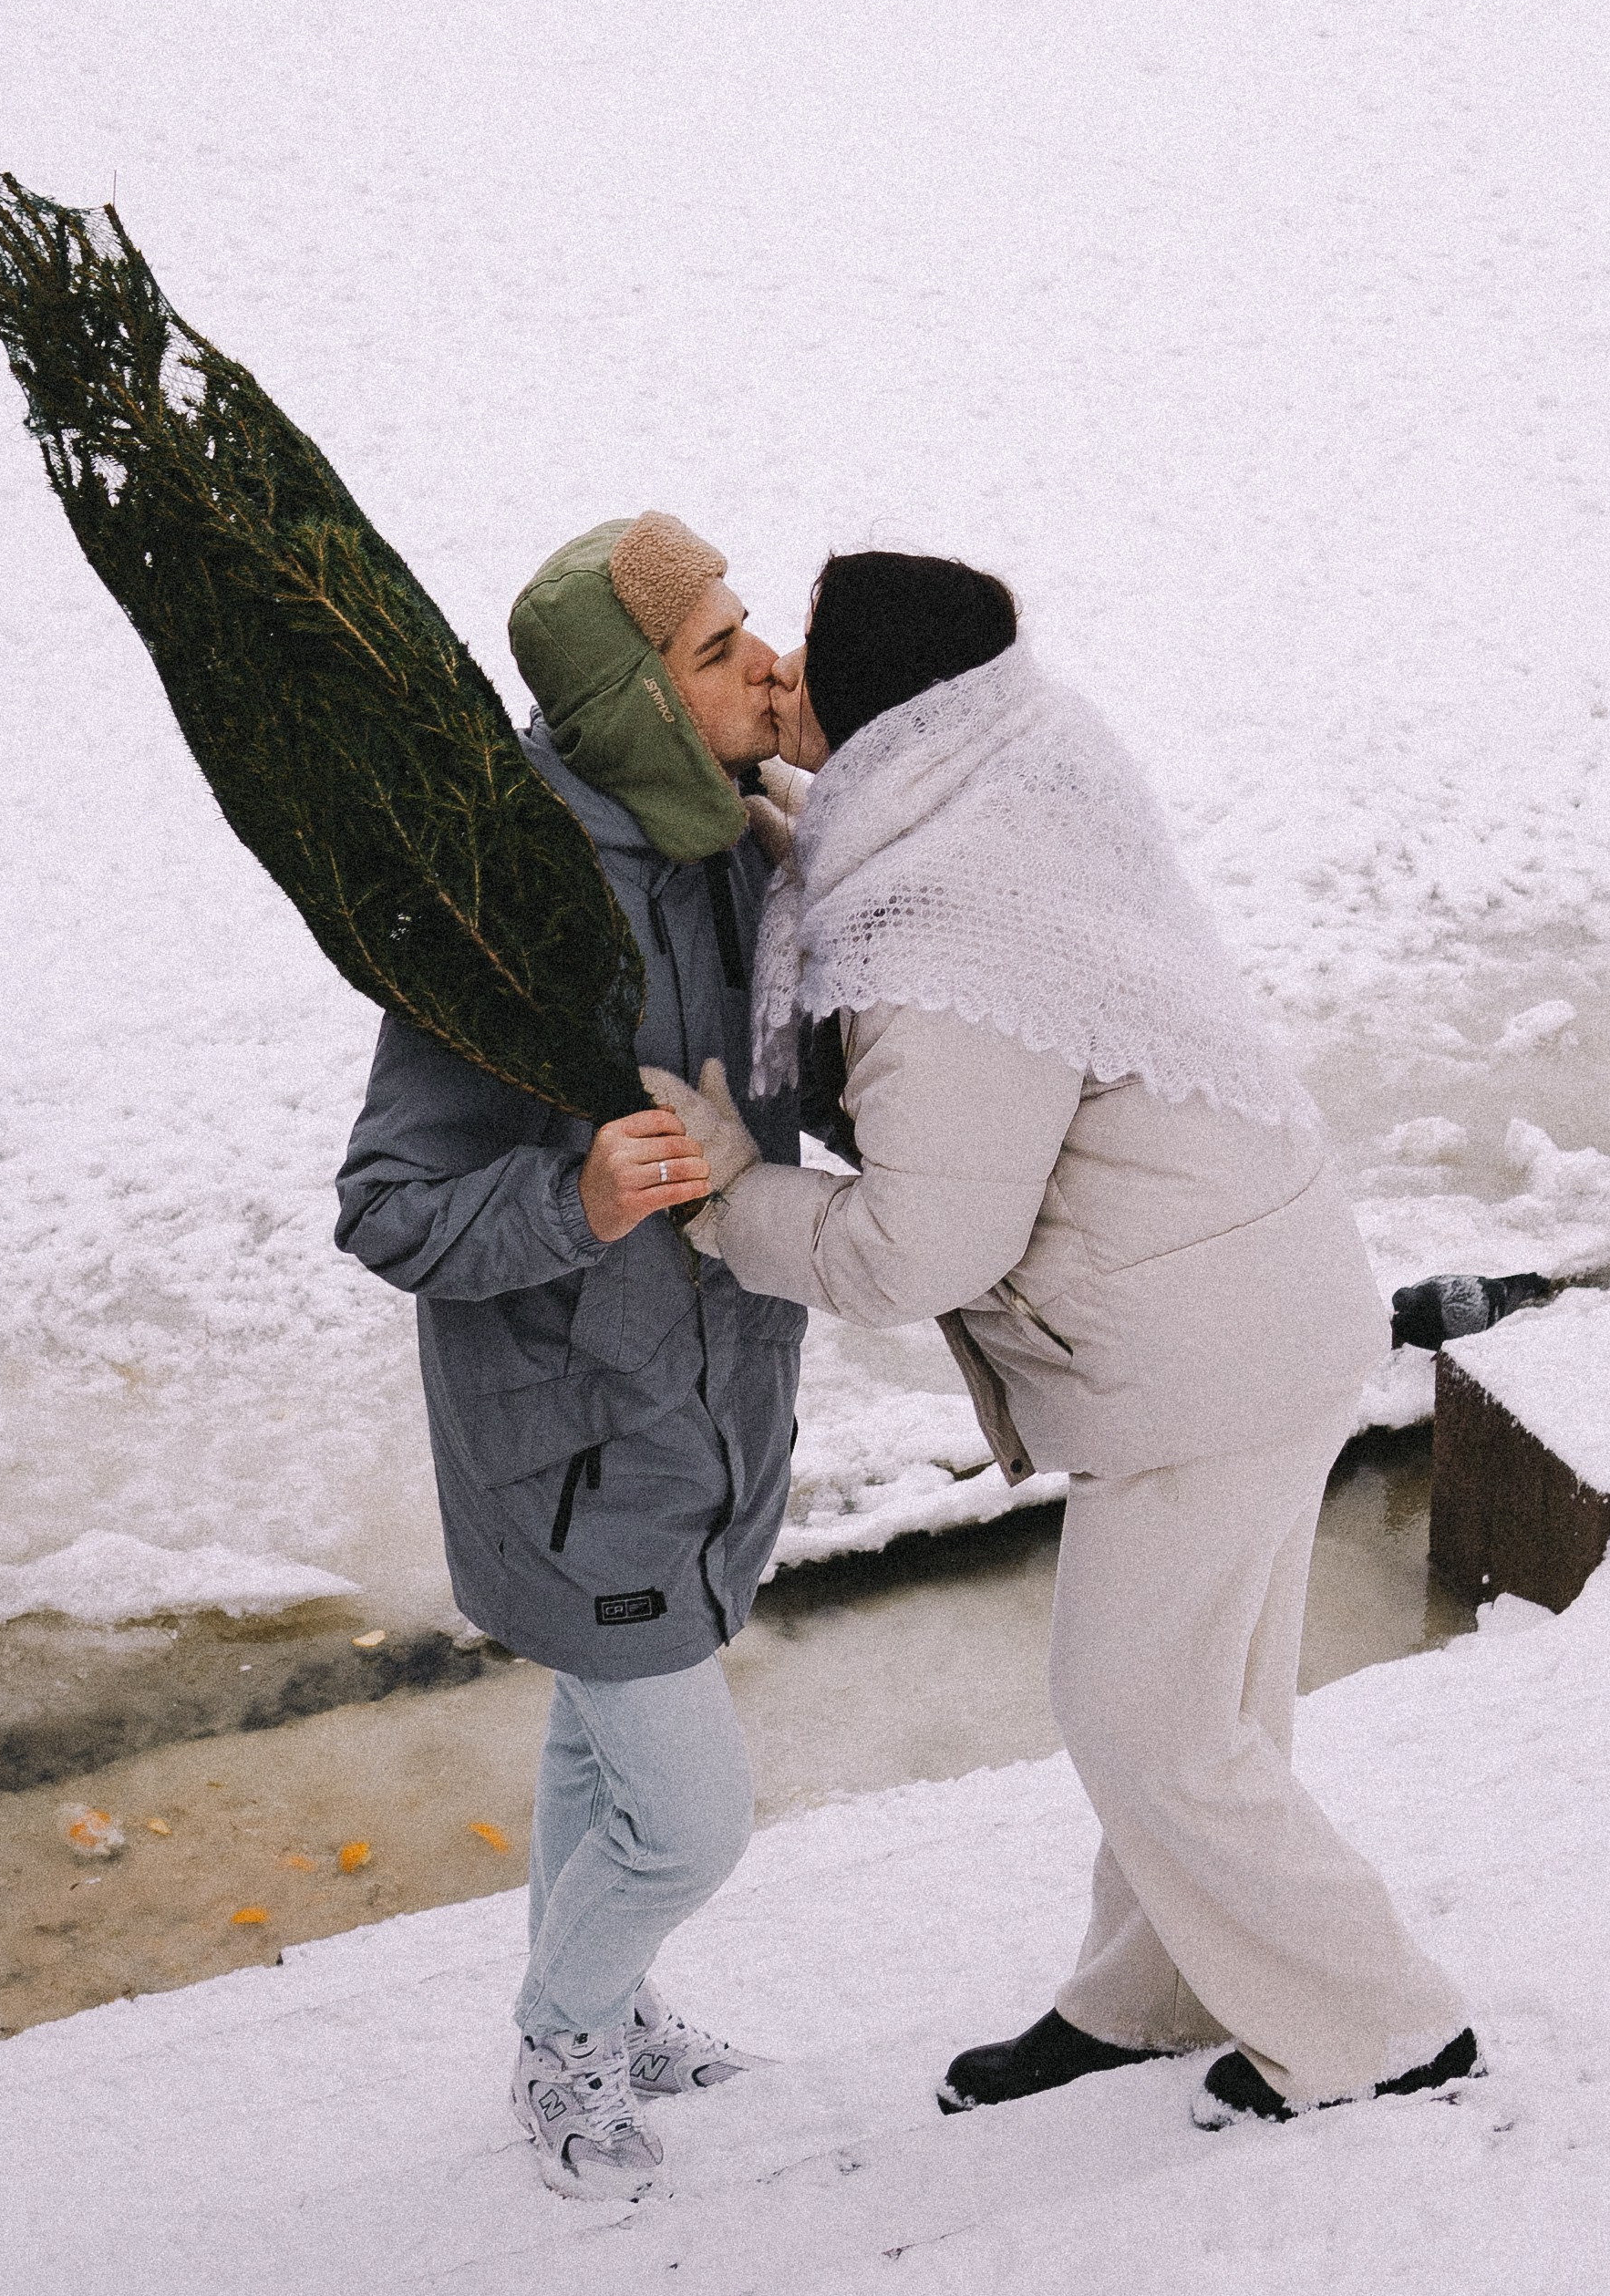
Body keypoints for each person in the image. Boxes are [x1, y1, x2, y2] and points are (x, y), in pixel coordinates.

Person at [653, 550, 1475, 2129]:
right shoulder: (1010, 760)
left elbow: (912, 1248)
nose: (777, 675)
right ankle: (1157, 1993)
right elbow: (858, 866)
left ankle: (1385, 2028)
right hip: (1249, 1287)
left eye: (807, 662)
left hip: (1203, 1354)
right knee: (1200, 1711)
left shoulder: (950, 941)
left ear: (891, 717)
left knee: (1141, 1718)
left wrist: (733, 1193)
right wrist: (763, 806)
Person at [335, 512, 806, 2202]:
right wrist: (575, 1193)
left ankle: (608, 2003)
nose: (764, 660)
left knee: (592, 1746)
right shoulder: (503, 906)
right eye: (714, 649)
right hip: (576, 1446)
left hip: (709, 1405)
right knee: (687, 1821)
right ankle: (566, 2032)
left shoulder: (732, 841)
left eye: (750, 625)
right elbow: (387, 1202)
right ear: (626, 707)